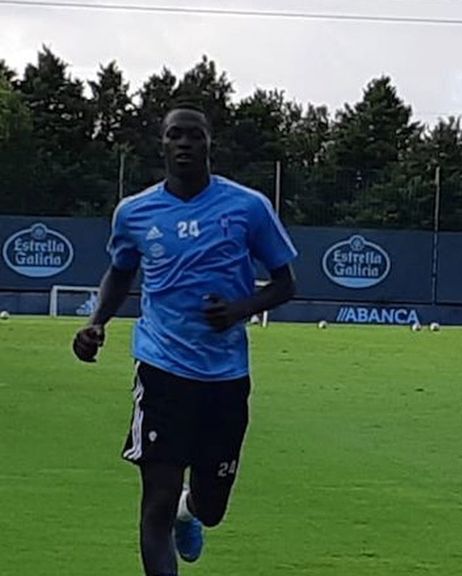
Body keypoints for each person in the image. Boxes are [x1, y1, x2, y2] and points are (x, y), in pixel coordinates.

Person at [72, 104, 298, 576]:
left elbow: (285, 284)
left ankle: (188, 511)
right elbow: (120, 271)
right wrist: (97, 323)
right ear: (162, 144)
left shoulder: (248, 207)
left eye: (194, 135)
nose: (184, 144)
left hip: (225, 377)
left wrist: (239, 309)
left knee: (211, 507)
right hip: (161, 371)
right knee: (154, 501)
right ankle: (171, 512)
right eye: (175, 135)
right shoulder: (134, 212)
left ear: (209, 143)